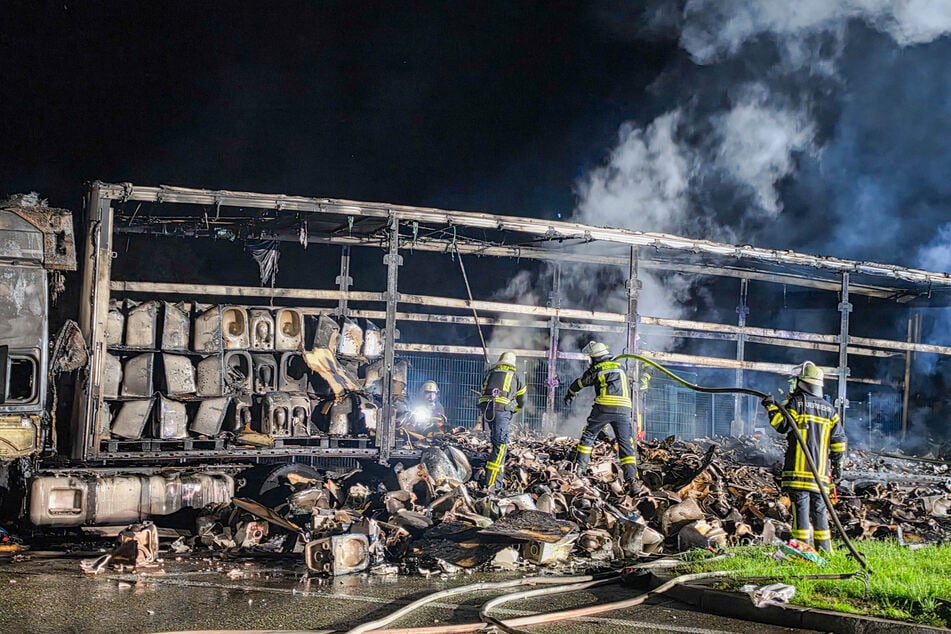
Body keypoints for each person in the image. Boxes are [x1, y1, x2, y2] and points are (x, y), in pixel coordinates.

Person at [761, 361, 847, 553]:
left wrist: (771, 407)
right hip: (821, 474)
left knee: (800, 512)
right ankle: (825, 551)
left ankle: (803, 551)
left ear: (803, 383)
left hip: (799, 473)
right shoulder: (830, 410)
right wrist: (837, 466)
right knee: (820, 512)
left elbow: (782, 425)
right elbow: (839, 441)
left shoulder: (797, 403)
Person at [564, 341, 643, 495]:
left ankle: (579, 471)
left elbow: (580, 383)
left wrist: (570, 393)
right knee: (626, 444)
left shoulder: (597, 368)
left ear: (595, 358)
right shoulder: (620, 366)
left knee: (588, 436)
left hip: (604, 407)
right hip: (624, 410)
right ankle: (633, 482)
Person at [477, 351, 526, 490]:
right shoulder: (515, 375)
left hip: (487, 411)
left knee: (496, 446)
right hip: (501, 412)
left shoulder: (490, 373)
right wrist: (517, 408)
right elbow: (523, 398)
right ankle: (493, 486)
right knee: (500, 448)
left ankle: (494, 479)